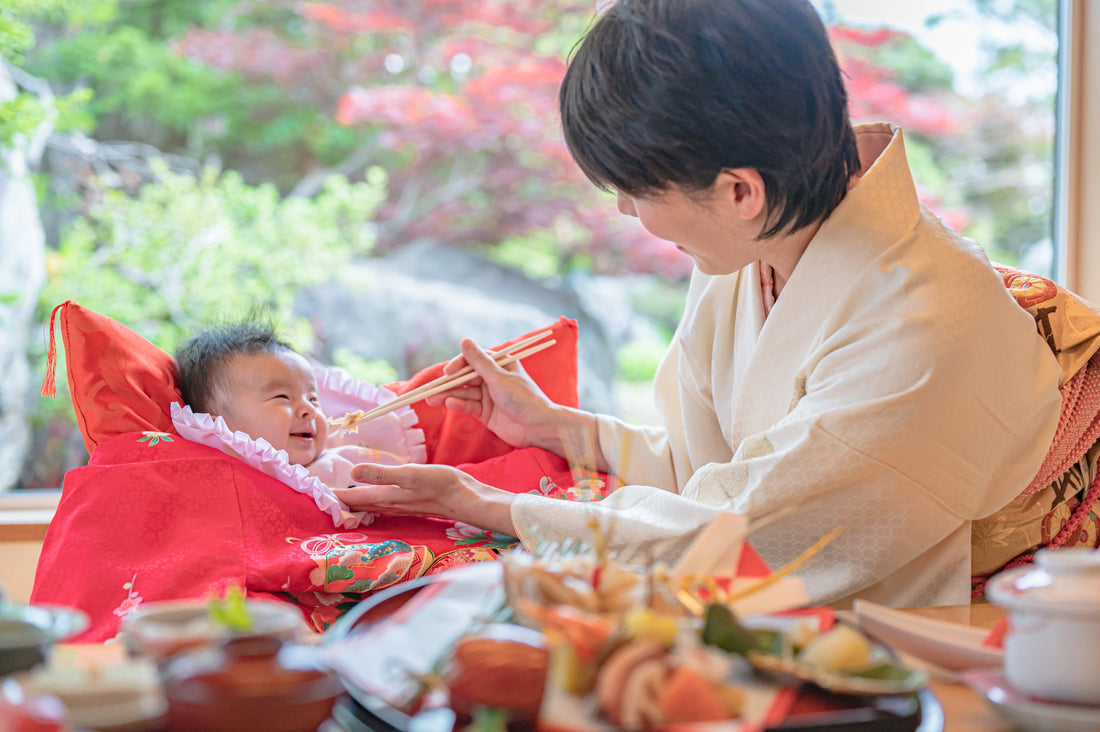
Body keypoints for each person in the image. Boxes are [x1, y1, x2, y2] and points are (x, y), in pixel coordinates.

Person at [338, 0, 1063, 607]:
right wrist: (561, 428)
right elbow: (715, 469)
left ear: (739, 190)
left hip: (973, 644)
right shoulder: (761, 237)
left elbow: (740, 535)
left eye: (638, 191)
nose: (624, 210)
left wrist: (483, 504)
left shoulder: (922, 330)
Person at [174, 320, 409, 494]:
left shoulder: (338, 465)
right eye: (282, 397)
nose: (309, 410)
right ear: (219, 423)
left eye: (313, 399)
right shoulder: (211, 480)